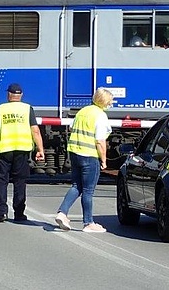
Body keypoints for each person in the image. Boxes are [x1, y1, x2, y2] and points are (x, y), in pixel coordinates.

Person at [0, 83, 45, 223]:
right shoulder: (27, 109)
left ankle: (2, 213)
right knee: (20, 182)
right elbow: (35, 130)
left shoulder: (1, 109)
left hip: (4, 150)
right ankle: (19, 214)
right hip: (22, 151)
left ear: (9, 94)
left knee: (1, 181)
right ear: (21, 95)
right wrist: (40, 149)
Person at [55, 88, 113, 233]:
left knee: (76, 186)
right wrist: (104, 160)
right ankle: (88, 223)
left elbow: (72, 127)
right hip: (89, 155)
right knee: (88, 190)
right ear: (105, 102)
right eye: (111, 101)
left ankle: (62, 213)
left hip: (75, 153)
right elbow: (100, 141)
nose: (112, 103)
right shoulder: (100, 116)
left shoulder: (82, 111)